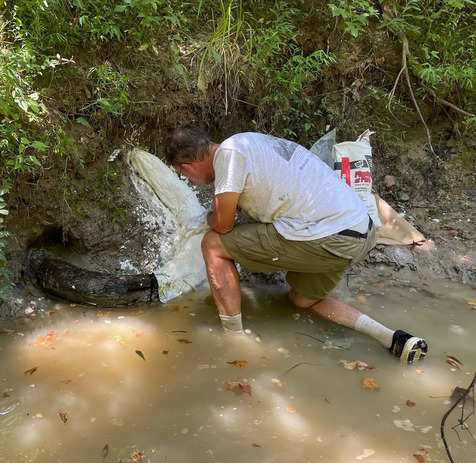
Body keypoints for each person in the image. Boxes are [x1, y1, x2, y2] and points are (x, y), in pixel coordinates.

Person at [165, 125, 428, 364]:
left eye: (185, 175)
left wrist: (210, 217)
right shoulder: (249, 143)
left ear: (186, 167)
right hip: (362, 231)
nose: (190, 179)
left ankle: (234, 339)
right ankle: (393, 338)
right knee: (303, 300)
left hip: (331, 236)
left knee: (213, 244)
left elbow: (222, 225)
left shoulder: (229, 156)